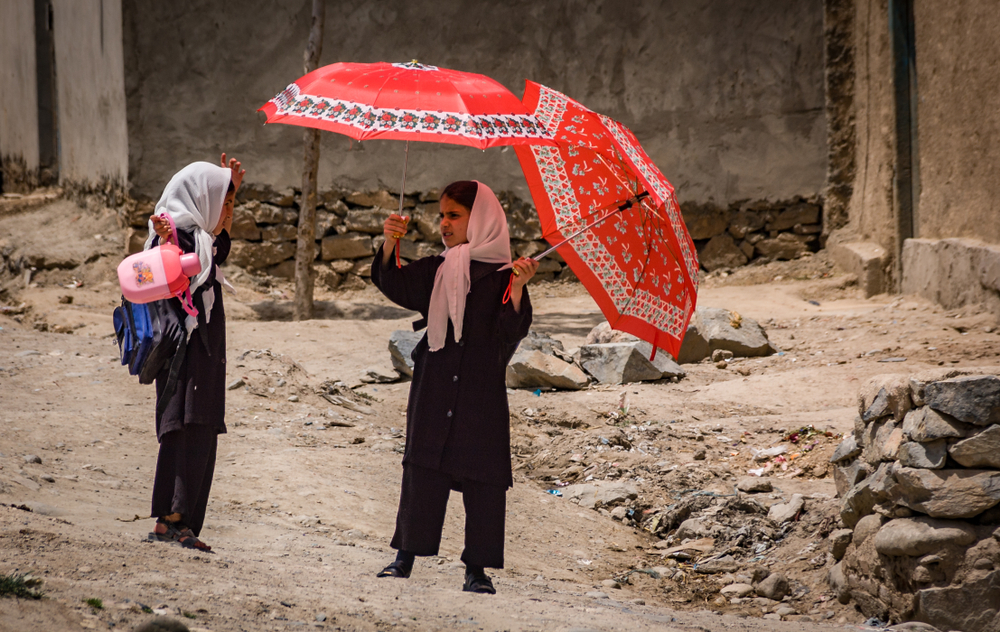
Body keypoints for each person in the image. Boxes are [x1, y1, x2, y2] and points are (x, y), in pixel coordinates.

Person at [371, 180, 539, 594]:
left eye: (454, 215)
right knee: (423, 466)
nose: (444, 224)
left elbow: (511, 330)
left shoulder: (505, 276)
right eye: (441, 215)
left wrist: (517, 289)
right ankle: (405, 556)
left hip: (481, 391)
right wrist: (390, 241)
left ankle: (477, 569)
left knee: (484, 476)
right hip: (435, 384)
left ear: (479, 219)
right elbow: (393, 282)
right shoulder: (436, 267)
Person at [145, 154, 244, 552]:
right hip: (185, 354)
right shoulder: (176, 234)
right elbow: (185, 267)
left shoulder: (198, 234)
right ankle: (172, 520)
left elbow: (216, 252)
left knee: (198, 427)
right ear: (200, 198)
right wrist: (167, 239)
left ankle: (180, 521)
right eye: (223, 202)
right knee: (182, 427)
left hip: (202, 352)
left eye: (231, 204)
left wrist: (229, 193)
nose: (227, 212)